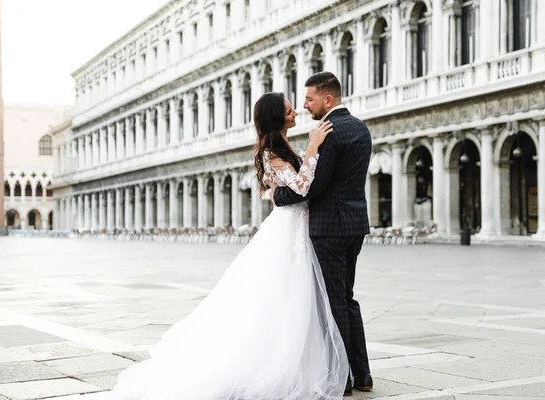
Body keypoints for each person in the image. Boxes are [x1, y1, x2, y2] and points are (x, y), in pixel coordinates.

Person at [110, 92, 349, 400]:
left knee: (296, 299)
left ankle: (303, 364)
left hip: (296, 227)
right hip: (288, 230)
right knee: (288, 297)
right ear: (278, 117)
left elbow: (288, 186)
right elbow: (302, 187)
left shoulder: (281, 146)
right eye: (290, 110)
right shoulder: (272, 149)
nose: (296, 113)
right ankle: (281, 365)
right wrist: (314, 147)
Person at [270, 72, 373, 396]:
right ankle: (363, 374)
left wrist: (277, 196)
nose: (305, 105)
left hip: (329, 228)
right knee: (348, 298)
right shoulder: (360, 127)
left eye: (310, 99)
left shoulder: (326, 131)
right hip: (355, 223)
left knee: (333, 302)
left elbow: (314, 186)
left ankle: (341, 378)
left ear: (328, 99)